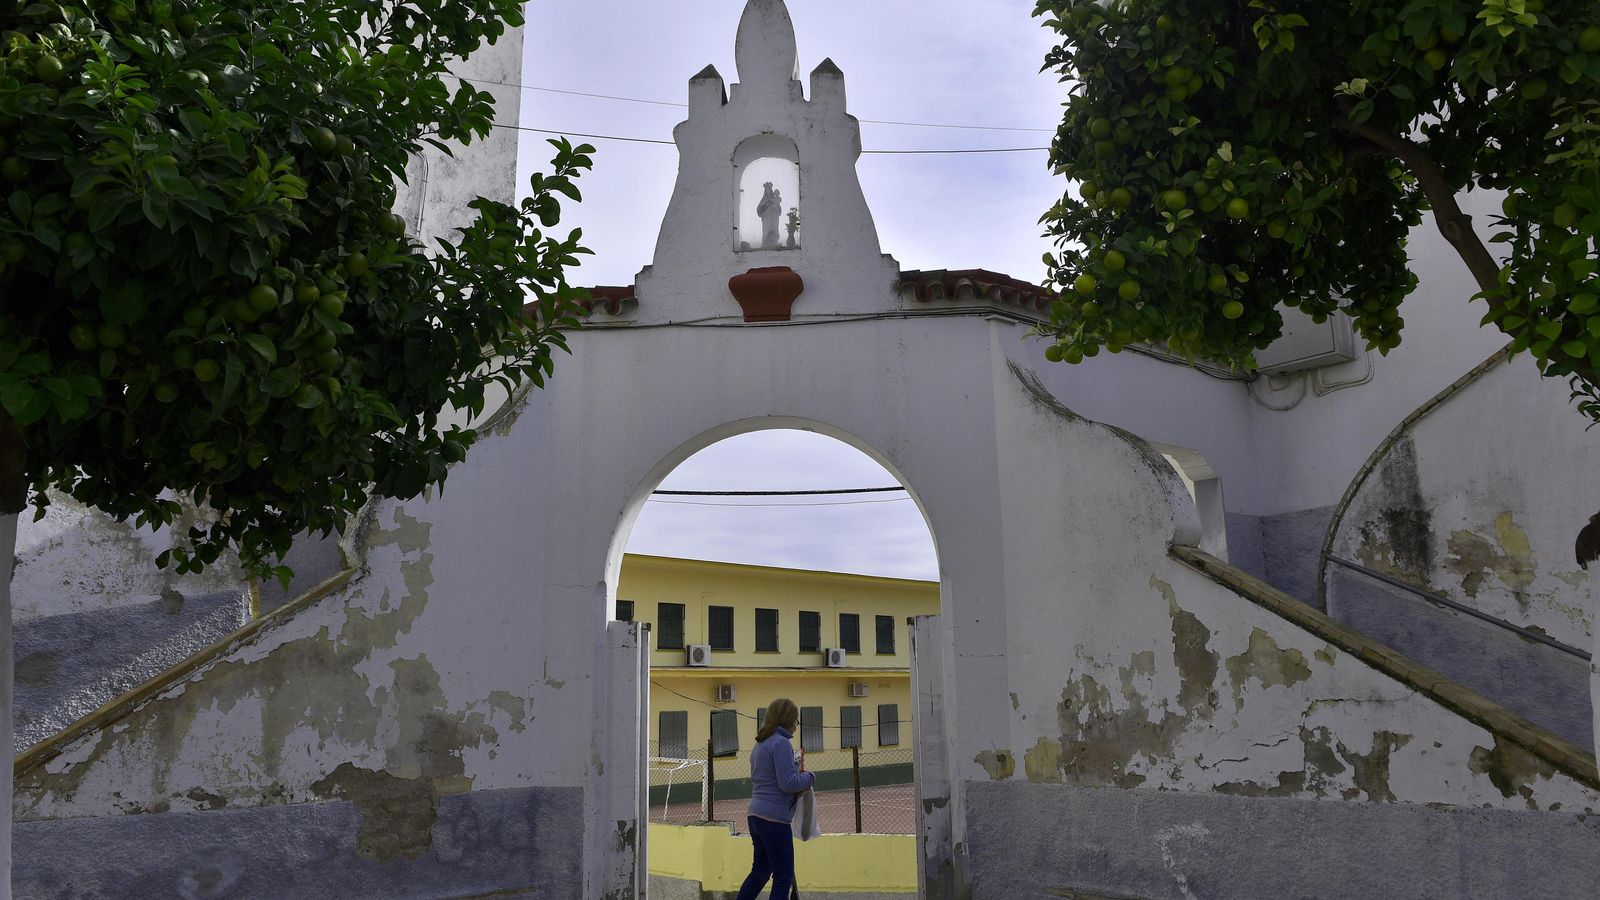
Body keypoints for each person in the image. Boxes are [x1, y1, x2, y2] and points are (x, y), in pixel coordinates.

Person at [736, 697, 816, 900]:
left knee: (760, 872)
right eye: (796, 721)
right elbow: (787, 784)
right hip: (774, 819)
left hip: (756, 815)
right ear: (788, 721)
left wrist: (793, 766)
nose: (796, 727)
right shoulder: (781, 744)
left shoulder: (761, 744)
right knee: (783, 877)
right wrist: (809, 777)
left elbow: (768, 777)